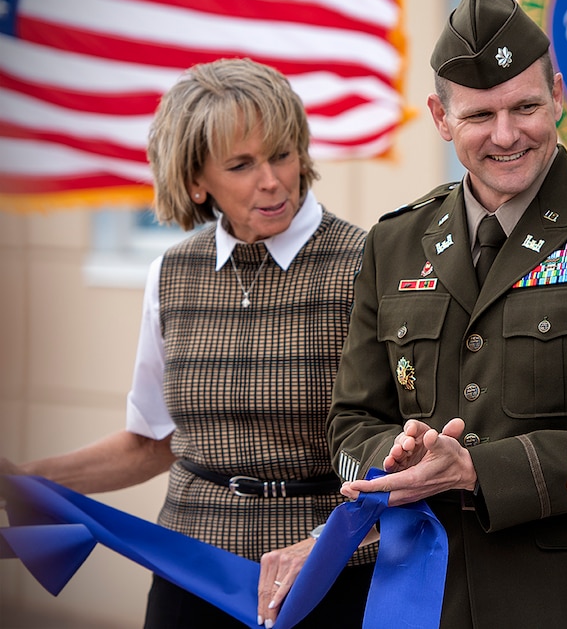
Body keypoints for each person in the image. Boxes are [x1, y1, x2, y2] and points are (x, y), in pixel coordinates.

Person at [328, 0, 567, 628]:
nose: (506, 135)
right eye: (478, 115)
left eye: (524, 106)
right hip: (429, 598)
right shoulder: (394, 242)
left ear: (557, 95)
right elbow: (351, 424)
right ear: (441, 118)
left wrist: (475, 470)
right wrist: (398, 458)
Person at [2, 58, 375, 629]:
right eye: (241, 164)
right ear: (198, 180)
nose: (271, 179)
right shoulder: (170, 274)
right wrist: (25, 480)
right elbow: (151, 443)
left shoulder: (367, 264)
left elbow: (394, 450)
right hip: (190, 571)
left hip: (327, 572)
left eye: (281, 153)